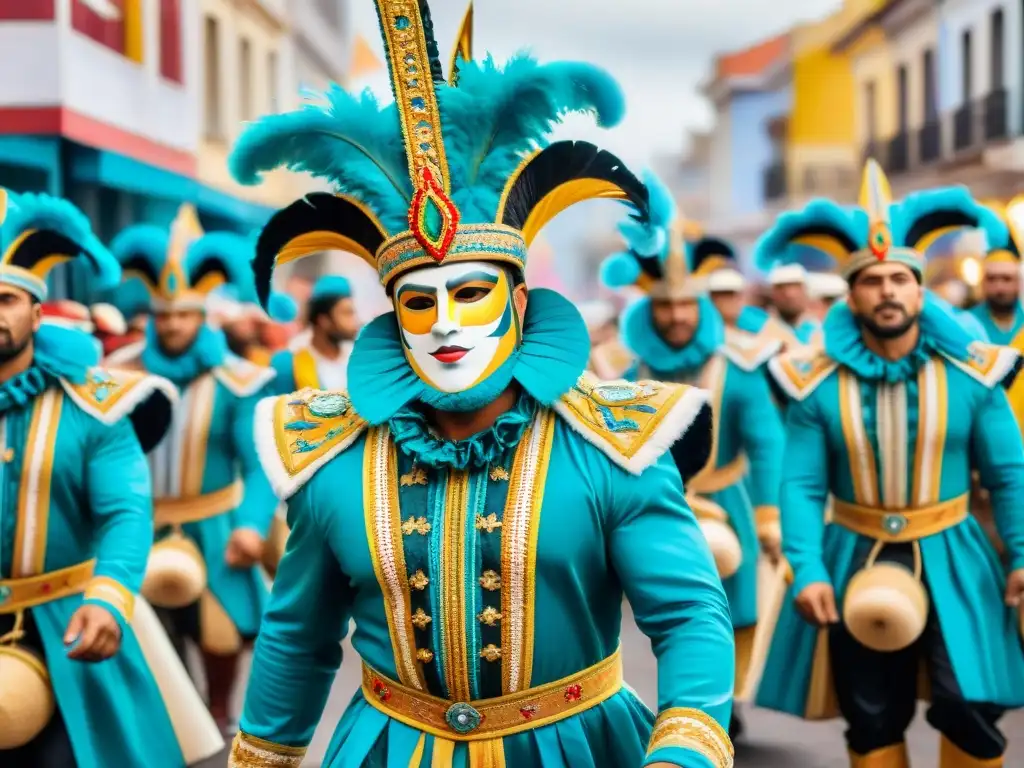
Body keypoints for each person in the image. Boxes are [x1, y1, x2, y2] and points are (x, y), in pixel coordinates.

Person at [226, 3, 735, 766]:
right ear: (391, 315)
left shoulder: (613, 443)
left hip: (576, 747)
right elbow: (298, 636)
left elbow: (690, 614)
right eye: (420, 302)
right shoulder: (333, 457)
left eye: (471, 295)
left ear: (519, 302)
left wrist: (686, 747)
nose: (444, 324)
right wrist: (261, 756)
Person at [755, 164, 1024, 768]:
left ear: (920, 290)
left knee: (969, 705)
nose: (887, 291)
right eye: (872, 280)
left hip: (956, 552)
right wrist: (807, 567)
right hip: (855, 553)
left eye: (900, 278)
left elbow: (1009, 475)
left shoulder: (974, 376)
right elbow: (801, 484)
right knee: (872, 715)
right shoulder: (814, 385)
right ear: (852, 295)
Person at [0, 190, 223, 766]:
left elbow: (124, 513)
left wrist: (107, 597)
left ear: (36, 311)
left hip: (70, 620)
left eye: (4, 299)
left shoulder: (94, 406)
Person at [601, 171, 784, 739]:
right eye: (666, 307)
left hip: (730, 498)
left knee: (740, 606)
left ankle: (727, 700)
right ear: (648, 311)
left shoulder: (740, 366)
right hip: (659, 505)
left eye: (687, 305)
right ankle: (691, 709)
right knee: (672, 611)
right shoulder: (623, 374)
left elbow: (768, 443)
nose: (678, 316)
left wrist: (769, 516)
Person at [104, 204, 278, 735]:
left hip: (215, 523)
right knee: (141, 633)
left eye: (185, 315)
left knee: (219, 633)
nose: (174, 325)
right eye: (164, 315)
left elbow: (258, 462)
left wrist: (251, 526)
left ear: (204, 317)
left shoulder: (240, 380)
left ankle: (220, 712)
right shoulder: (118, 373)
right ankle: (161, 721)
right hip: (139, 523)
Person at [270, 274, 358, 393]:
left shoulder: (359, 360)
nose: (355, 322)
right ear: (324, 320)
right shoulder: (290, 363)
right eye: (347, 314)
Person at [967, 198, 1024, 344]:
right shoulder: (966, 324)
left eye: (1006, 279)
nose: (999, 287)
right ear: (982, 283)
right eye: (992, 279)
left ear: (1018, 282)